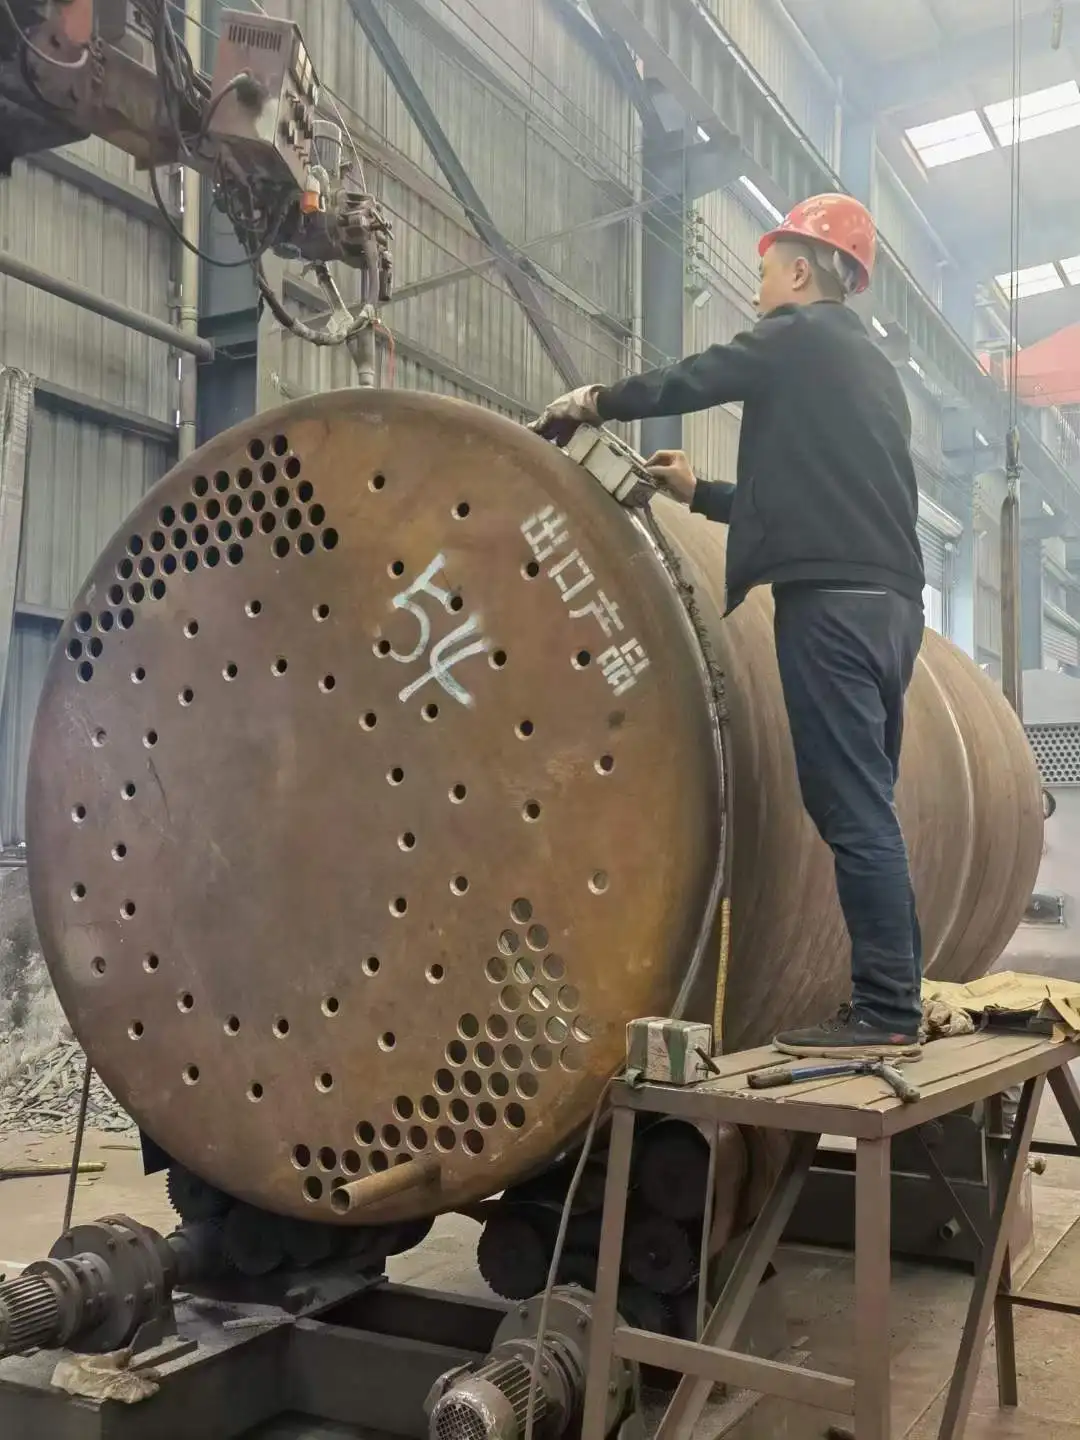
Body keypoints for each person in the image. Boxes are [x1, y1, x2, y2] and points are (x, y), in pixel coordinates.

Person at [531, 193, 926, 1059]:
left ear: (801, 271)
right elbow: (804, 506)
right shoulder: (869, 372)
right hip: (892, 609)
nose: (757, 286)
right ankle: (900, 992)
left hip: (831, 608)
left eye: (766, 269)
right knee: (870, 806)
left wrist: (597, 400)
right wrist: (696, 492)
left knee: (851, 807)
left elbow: (697, 377)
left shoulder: (799, 336)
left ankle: (888, 1010)